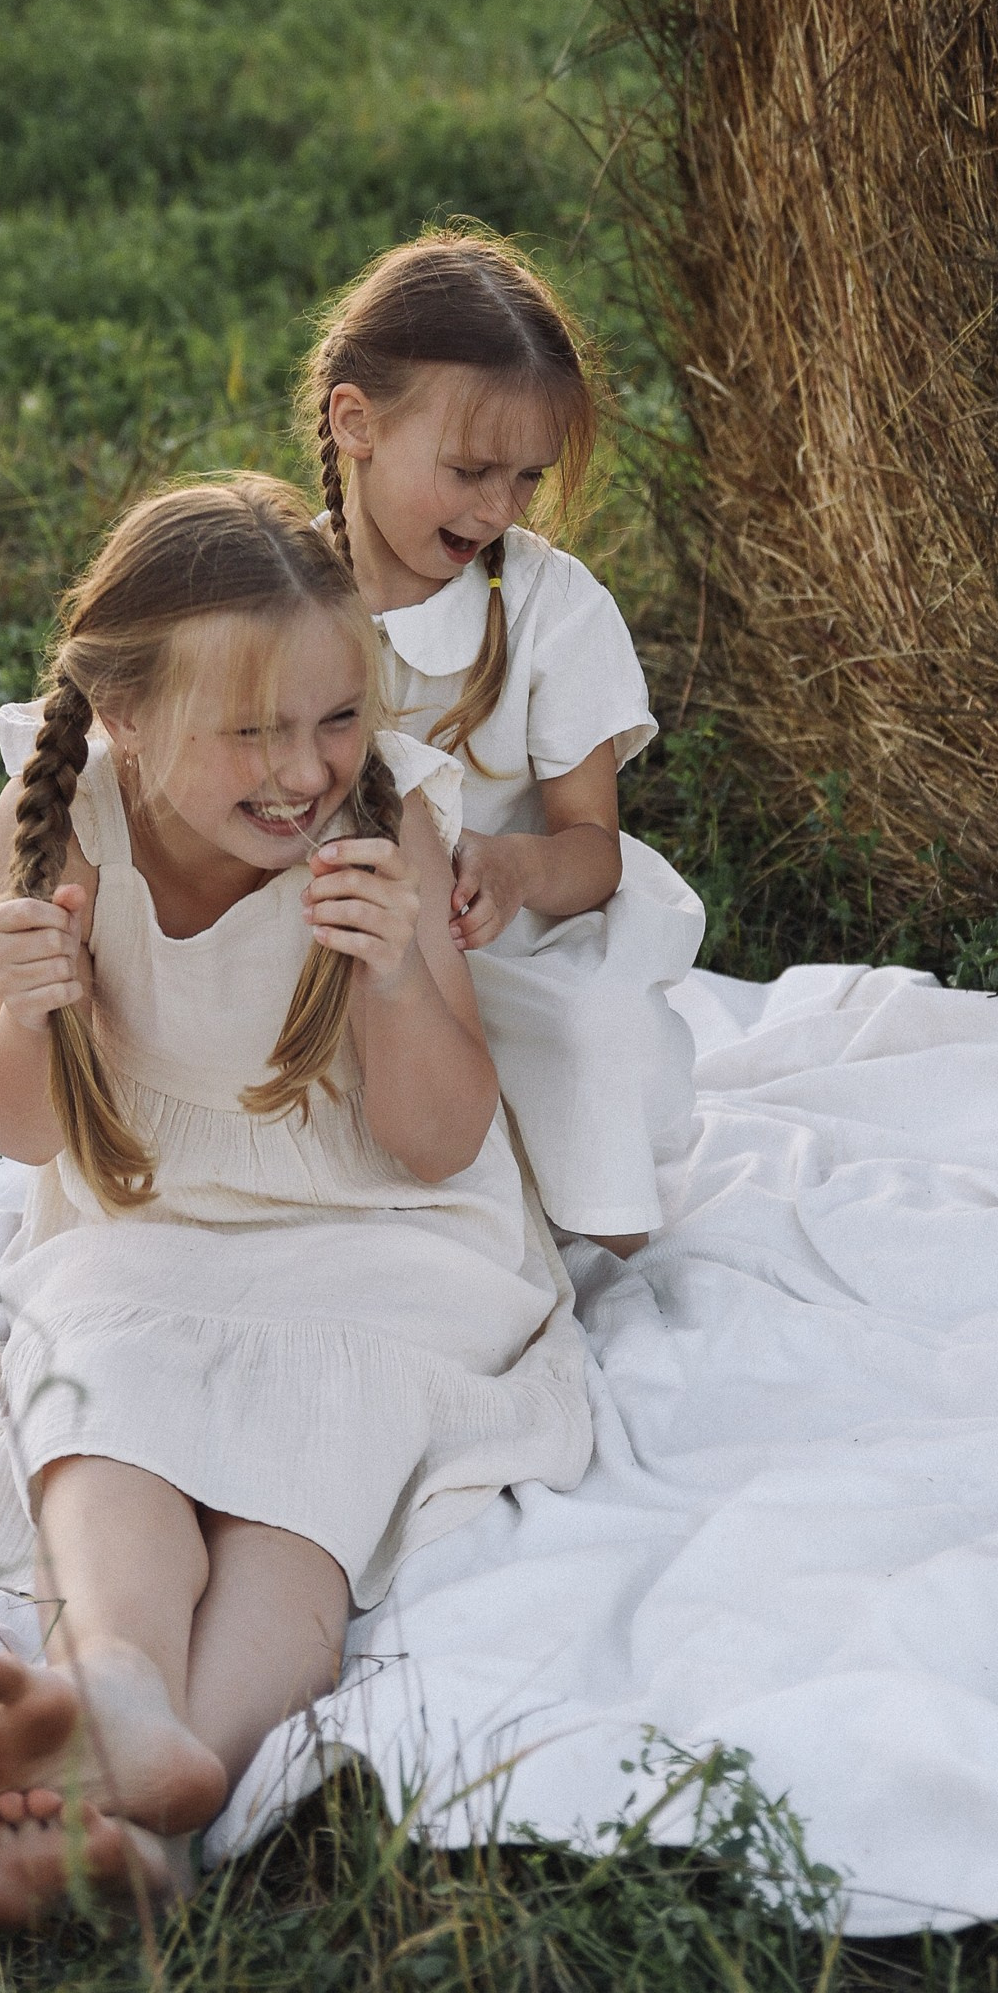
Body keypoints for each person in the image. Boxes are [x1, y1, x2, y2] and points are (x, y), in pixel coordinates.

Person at [0, 474, 590, 1926]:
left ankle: (169, 1773)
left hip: (382, 1235)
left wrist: (394, 973)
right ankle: (121, 1701)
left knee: (305, 1486)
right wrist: (26, 1014)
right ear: (125, 715)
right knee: (111, 1413)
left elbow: (439, 1143)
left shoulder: (385, 824)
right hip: (152, 1218)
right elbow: (21, 1127)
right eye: (251, 731)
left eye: (334, 718)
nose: (302, 770)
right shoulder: (59, 818)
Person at [303, 230, 704, 1254]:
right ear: (355, 422)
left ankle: (577, 1206)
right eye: (469, 469)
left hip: (499, 948)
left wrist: (517, 867)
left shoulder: (548, 608)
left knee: (588, 1034)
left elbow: (592, 849)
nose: (497, 508)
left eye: (526, 478)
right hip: (336, 941)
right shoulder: (281, 598)